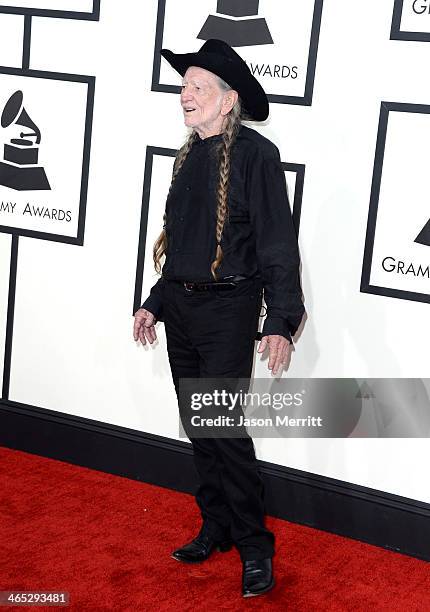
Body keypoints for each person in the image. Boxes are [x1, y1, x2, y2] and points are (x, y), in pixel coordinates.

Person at [133, 38, 305, 598]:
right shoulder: (186, 158)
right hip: (180, 308)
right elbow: (179, 246)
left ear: (227, 101)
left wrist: (279, 320)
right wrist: (153, 302)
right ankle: (216, 526)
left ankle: (256, 547)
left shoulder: (256, 155)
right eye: (184, 85)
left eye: (196, 86)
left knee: (224, 431)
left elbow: (277, 243)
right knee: (199, 428)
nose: (184, 94)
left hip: (229, 311)